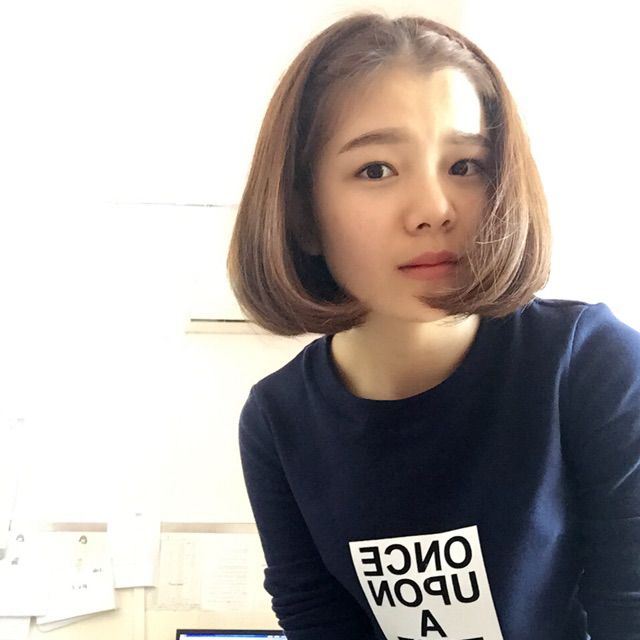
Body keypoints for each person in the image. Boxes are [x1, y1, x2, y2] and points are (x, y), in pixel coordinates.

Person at [226, 11, 640, 640]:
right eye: (376, 170)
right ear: (303, 214)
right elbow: (315, 619)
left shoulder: (591, 364)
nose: (434, 210)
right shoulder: (276, 420)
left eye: (465, 165)